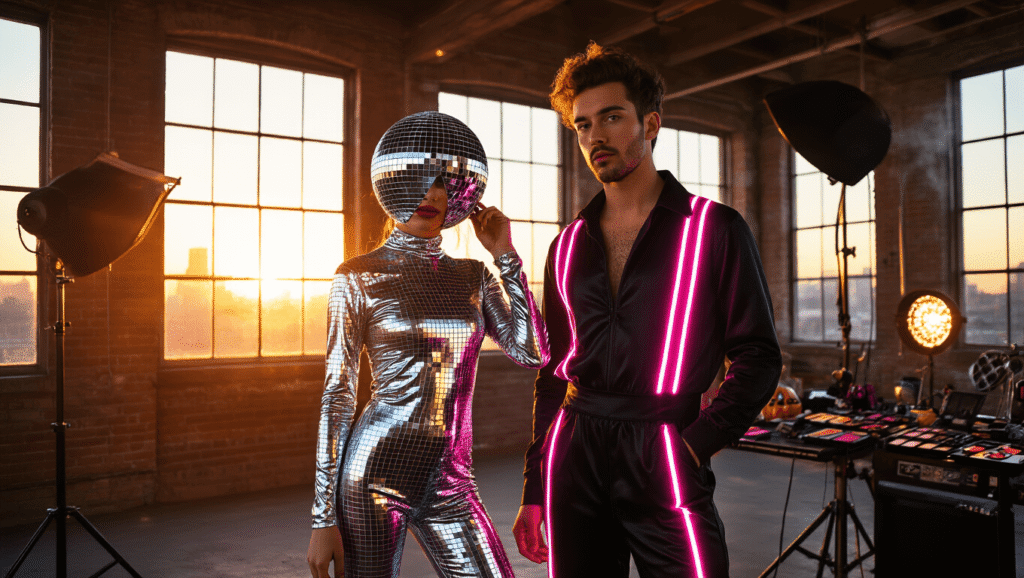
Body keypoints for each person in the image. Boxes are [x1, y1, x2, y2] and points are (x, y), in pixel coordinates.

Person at [512, 42, 782, 577]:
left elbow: (758, 355)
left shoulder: (714, 229)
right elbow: (552, 370)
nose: (595, 136)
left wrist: (694, 446)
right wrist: (535, 485)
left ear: (650, 123)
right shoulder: (565, 245)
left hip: (664, 446)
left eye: (611, 117)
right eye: (583, 125)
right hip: (575, 451)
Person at [308, 111, 549, 578]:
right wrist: (323, 517)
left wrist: (505, 256)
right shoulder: (357, 277)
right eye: (418, 180)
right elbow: (337, 396)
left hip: (452, 481)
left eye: (442, 183)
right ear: (393, 186)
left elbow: (533, 352)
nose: (432, 194)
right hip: (373, 475)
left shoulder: (472, 276)